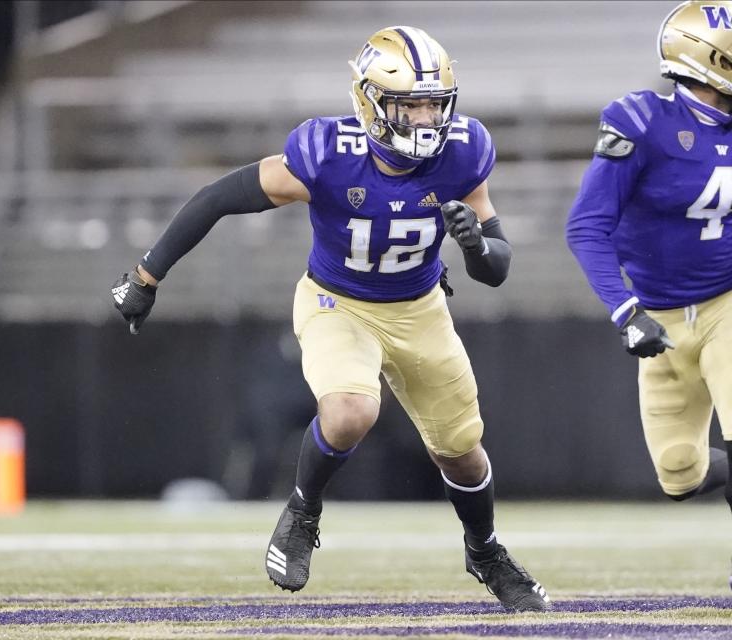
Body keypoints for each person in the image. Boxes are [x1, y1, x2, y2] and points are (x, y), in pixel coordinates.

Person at [112, 25, 551, 612]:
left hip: (420, 309)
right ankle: (302, 512)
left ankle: (486, 552)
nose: (424, 120)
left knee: (462, 450)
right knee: (350, 409)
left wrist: (475, 245)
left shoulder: (465, 150)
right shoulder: (325, 155)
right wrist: (146, 276)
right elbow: (218, 197)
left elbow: (495, 270)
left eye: (432, 104)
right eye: (408, 104)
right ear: (370, 103)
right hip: (336, 302)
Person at [566, 0, 732, 585]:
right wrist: (625, 308)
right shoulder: (641, 121)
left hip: (726, 304)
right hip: (661, 317)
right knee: (678, 474)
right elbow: (586, 226)